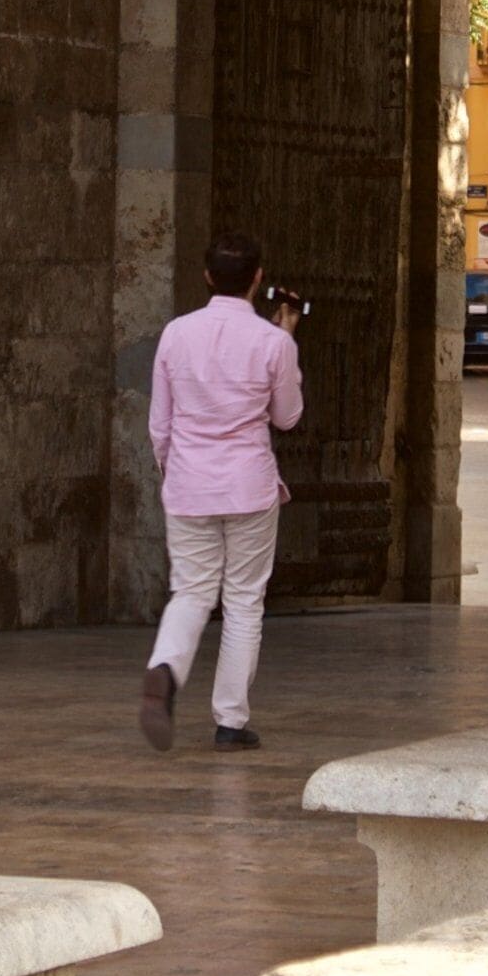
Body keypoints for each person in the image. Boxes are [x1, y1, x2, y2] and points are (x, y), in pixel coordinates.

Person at [138, 231, 303, 751]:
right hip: (249, 485)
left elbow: (160, 422)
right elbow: (287, 417)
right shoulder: (273, 343)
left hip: (190, 483)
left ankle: (166, 668)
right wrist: (287, 336)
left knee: (191, 591)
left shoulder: (176, 334)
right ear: (258, 279)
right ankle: (231, 720)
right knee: (244, 600)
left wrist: (173, 471)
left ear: (208, 276)